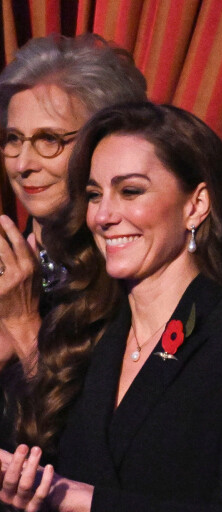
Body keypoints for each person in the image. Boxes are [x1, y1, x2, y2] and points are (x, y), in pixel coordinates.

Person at [0, 102, 222, 512]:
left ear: (196, 204)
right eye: (95, 194)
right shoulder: (83, 332)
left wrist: (79, 498)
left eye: (130, 191)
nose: (104, 215)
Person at [0, 33, 147, 379]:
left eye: (48, 140)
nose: (22, 164)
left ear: (103, 143)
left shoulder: (128, 277)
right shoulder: (8, 267)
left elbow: (87, 430)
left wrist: (23, 326)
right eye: (13, 139)